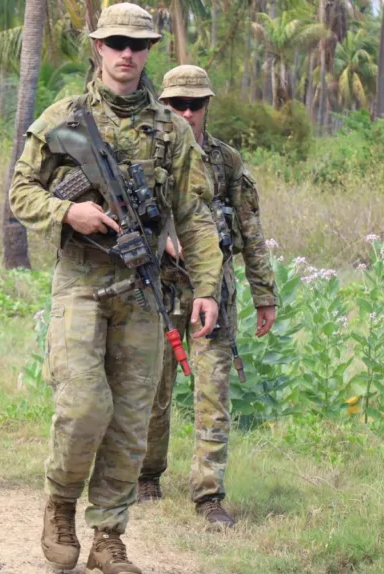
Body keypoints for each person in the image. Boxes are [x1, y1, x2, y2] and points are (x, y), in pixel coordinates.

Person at [9, 4, 224, 574]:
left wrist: (206, 287)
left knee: (131, 421)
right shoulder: (64, 116)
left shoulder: (173, 130)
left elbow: (195, 216)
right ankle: (59, 505)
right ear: (98, 47)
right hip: (81, 281)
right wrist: (68, 211)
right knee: (83, 407)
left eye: (139, 44)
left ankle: (108, 535)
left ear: (150, 50)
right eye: (117, 43)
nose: (127, 53)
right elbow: (20, 193)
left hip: (143, 288)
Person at [137, 65, 279, 529]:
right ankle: (147, 475)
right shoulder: (143, 157)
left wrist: (265, 293)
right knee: (154, 389)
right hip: (158, 288)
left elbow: (251, 232)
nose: (186, 113)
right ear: (163, 107)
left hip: (213, 290)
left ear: (206, 108)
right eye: (176, 104)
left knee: (213, 390)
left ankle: (208, 495)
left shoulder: (227, 161)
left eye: (195, 105)